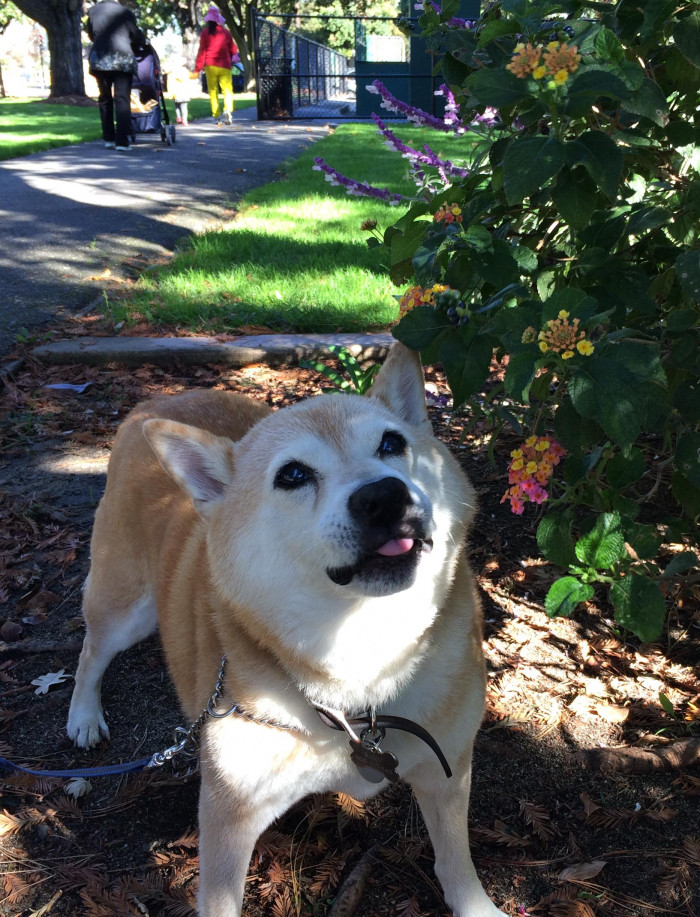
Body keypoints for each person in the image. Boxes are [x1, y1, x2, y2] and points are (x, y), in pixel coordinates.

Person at [86, 0, 145, 151]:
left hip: (100, 59)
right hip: (122, 59)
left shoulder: (93, 12)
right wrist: (140, 42)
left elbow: (91, 35)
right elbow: (136, 35)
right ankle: (122, 141)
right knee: (122, 99)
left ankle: (109, 138)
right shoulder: (125, 13)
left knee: (105, 99)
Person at [194, 5, 237, 125]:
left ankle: (216, 116)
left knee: (213, 91)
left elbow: (202, 51)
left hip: (210, 65)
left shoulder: (204, 33)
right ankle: (227, 110)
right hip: (225, 65)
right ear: (218, 18)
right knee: (227, 90)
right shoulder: (226, 33)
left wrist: (198, 68)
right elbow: (233, 50)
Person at [166, 57, 194, 126]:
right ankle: (184, 120)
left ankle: (178, 117)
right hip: (183, 92)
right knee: (184, 107)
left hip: (176, 92)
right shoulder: (185, 71)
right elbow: (188, 78)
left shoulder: (173, 72)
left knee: (177, 106)